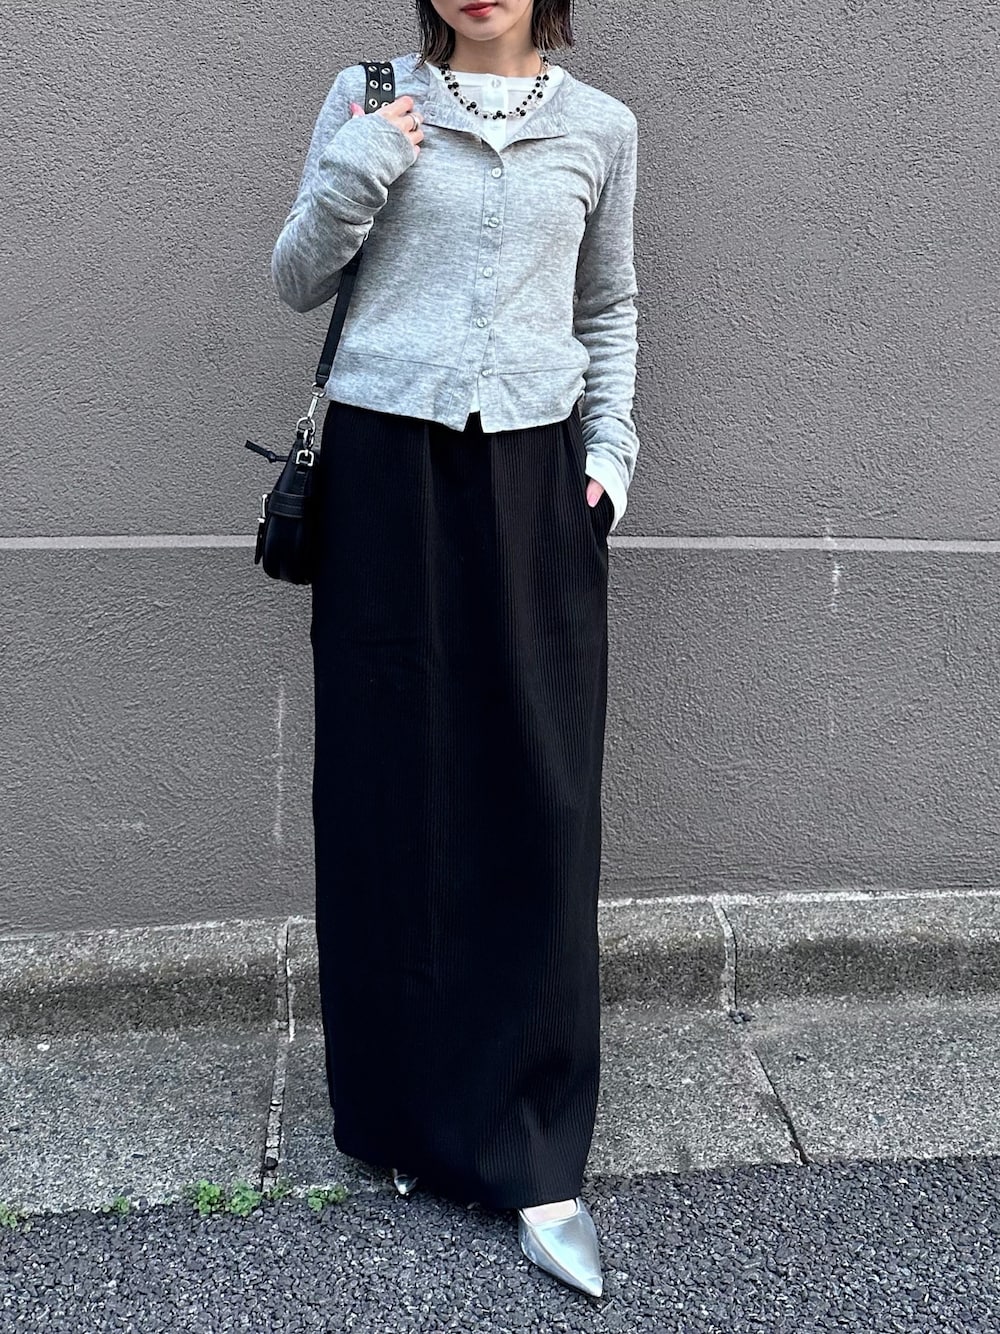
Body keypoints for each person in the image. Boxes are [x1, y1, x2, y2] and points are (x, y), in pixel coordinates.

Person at [270, 0, 640, 1299]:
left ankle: (537, 1150)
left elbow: (610, 304)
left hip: (536, 476)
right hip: (386, 472)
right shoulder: (365, 93)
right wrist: (366, 161)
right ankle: (400, 1116)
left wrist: (609, 462)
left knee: (542, 797)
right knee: (391, 791)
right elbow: (296, 275)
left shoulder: (602, 127)